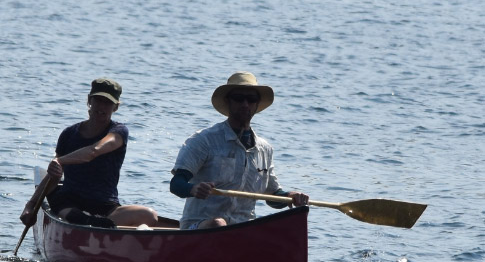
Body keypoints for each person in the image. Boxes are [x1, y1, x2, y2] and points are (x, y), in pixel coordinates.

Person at [170, 71, 309, 230]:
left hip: (242, 232)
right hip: (199, 228)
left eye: (251, 99)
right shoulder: (203, 140)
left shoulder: (265, 149)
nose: (245, 104)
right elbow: (176, 184)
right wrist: (193, 189)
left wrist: (290, 197)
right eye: (238, 98)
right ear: (228, 101)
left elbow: (272, 197)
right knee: (218, 224)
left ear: (256, 105)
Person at [20, 78, 158, 229]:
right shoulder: (69, 133)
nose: (102, 107)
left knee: (149, 215)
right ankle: (89, 223)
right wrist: (31, 204)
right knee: (76, 216)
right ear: (89, 100)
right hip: (69, 201)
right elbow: (53, 176)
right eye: (98, 100)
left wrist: (60, 160)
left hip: (105, 205)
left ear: (116, 107)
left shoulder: (119, 131)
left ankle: (99, 226)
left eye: (108, 103)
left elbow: (93, 151)